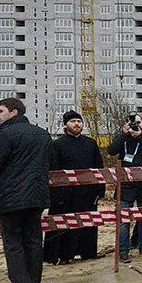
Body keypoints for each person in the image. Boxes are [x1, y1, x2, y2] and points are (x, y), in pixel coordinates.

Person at [0, 98, 52, 283]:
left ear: (14, 112)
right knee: (33, 241)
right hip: (37, 195)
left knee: (13, 243)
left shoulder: (4, 134)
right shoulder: (42, 134)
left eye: (0, 110)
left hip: (11, 197)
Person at [43, 111, 106, 265]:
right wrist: (57, 195)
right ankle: (60, 255)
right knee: (63, 223)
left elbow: (99, 167)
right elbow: (53, 171)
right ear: (66, 125)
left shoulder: (90, 143)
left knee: (88, 222)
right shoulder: (56, 145)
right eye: (73, 121)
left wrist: (99, 189)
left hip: (87, 192)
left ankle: (88, 252)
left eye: (79, 121)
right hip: (66, 194)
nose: (77, 124)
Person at [107, 113, 142, 263]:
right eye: (132, 123)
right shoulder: (122, 138)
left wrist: (140, 136)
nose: (135, 125)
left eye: (138, 122)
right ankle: (123, 250)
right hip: (125, 185)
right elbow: (111, 150)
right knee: (123, 219)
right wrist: (124, 135)